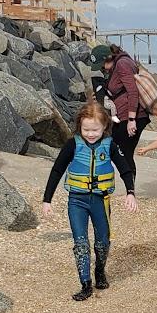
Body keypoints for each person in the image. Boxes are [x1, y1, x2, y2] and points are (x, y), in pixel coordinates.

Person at [42, 102, 137, 301]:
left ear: (105, 127)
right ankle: (85, 284)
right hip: (77, 201)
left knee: (102, 242)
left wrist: (130, 192)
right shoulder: (73, 144)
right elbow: (57, 170)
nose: (91, 134)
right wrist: (47, 200)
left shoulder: (109, 145)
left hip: (100, 201)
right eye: (86, 129)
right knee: (81, 243)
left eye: (95, 129)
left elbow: (125, 169)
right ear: (79, 127)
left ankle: (100, 271)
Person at [98, 43, 150, 181]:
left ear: (108, 58)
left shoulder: (122, 64)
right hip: (125, 116)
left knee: (124, 153)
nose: (102, 69)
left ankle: (130, 190)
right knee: (116, 149)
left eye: (102, 65)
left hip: (133, 117)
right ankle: (127, 187)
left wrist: (132, 121)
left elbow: (133, 92)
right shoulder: (123, 62)